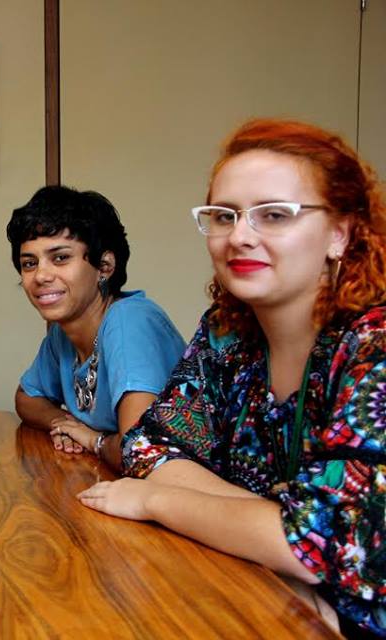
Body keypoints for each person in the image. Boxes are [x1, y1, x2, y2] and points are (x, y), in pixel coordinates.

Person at [78, 119, 386, 637]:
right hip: (264, 594)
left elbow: (330, 545)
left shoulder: (372, 345)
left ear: (341, 232)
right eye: (224, 216)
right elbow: (149, 447)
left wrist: (160, 501)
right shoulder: (227, 334)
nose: (240, 236)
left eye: (274, 215)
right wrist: (276, 532)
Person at [7, 186, 185, 470]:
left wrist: (93, 441)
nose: (40, 275)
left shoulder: (129, 322)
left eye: (60, 258)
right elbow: (26, 399)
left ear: (105, 266)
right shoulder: (62, 333)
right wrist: (64, 423)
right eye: (29, 263)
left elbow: (139, 452)